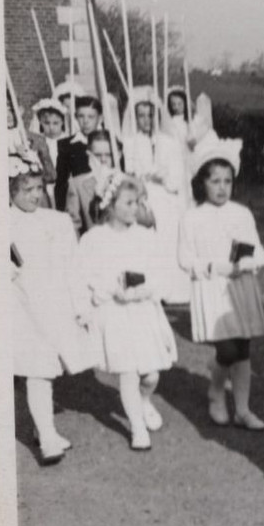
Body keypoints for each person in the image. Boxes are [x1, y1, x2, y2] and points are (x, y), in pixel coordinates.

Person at [76, 172, 179, 451]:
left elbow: (159, 272)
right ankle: (136, 427)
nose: (137, 208)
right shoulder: (94, 239)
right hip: (115, 315)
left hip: (142, 312)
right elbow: (86, 275)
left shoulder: (145, 237)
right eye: (130, 202)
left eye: (138, 202)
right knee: (127, 372)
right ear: (110, 205)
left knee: (150, 375)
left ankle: (145, 401)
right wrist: (110, 289)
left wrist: (143, 290)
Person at [178, 136, 264, 431]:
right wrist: (213, 267)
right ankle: (216, 390)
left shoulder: (241, 213)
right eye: (215, 181)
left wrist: (249, 262)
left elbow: (258, 249)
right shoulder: (192, 217)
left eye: (227, 181)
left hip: (240, 288)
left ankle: (243, 409)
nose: (222, 188)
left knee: (242, 349)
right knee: (227, 351)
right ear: (201, 183)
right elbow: (184, 258)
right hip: (212, 288)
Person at [9, 152, 94, 465]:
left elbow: (73, 267)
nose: (34, 195)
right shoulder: (0, 223)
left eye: (37, 188)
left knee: (47, 369)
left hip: (53, 304)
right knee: (38, 370)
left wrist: (80, 304)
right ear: (10, 192)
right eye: (25, 190)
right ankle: (46, 437)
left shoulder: (57, 221)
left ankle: (41, 426)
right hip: (21, 306)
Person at [122, 90, 193, 305]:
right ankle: (154, 288)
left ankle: (173, 289)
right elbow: (130, 173)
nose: (147, 120)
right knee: (148, 243)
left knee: (169, 242)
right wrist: (142, 179)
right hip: (144, 198)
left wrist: (163, 176)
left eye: (150, 115)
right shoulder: (130, 143)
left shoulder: (168, 142)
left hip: (167, 199)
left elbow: (177, 177)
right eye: (141, 115)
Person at [54, 95, 104, 212]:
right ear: (76, 117)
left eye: (91, 117)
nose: (85, 121)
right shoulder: (66, 145)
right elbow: (61, 183)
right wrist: (61, 211)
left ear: (100, 118)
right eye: (81, 116)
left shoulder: (110, 142)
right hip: (80, 203)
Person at [64, 130, 116, 236]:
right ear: (89, 154)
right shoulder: (77, 185)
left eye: (108, 155)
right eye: (98, 155)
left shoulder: (124, 180)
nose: (103, 160)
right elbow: (72, 227)